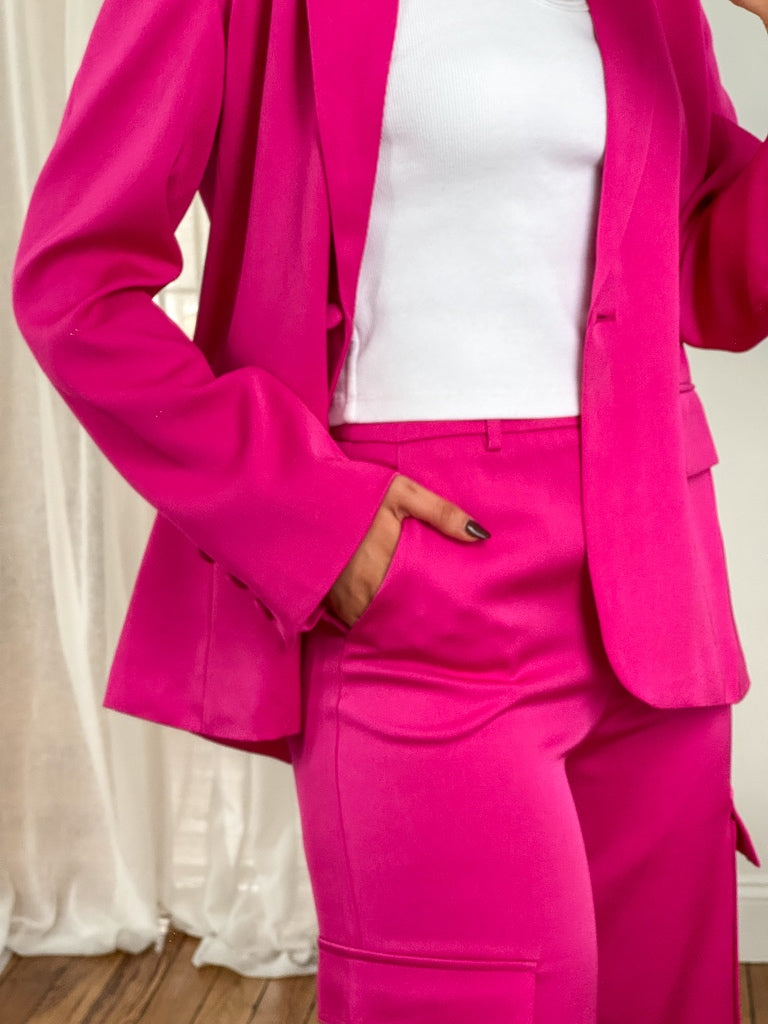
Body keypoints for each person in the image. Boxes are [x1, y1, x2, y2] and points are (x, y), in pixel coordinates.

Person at [10, 0, 768, 1020]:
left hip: (656, 595)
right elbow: (77, 287)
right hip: (423, 588)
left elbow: (711, 271)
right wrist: (313, 517)